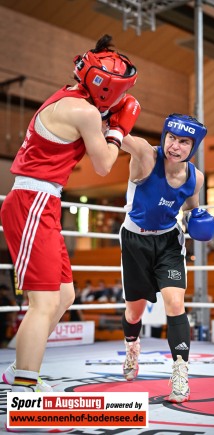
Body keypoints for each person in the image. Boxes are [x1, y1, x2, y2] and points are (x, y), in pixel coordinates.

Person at [0, 34, 140, 393]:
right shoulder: (84, 111)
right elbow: (106, 165)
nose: (122, 98)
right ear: (106, 88)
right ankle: (24, 384)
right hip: (32, 201)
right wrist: (121, 129)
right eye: (120, 91)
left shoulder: (73, 97)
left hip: (44, 202)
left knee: (64, 296)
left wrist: (110, 118)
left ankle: (20, 366)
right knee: (44, 302)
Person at [118, 113, 214, 403]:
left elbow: (191, 207)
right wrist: (105, 112)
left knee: (175, 303)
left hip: (169, 243)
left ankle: (180, 372)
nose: (175, 146)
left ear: (193, 146)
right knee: (133, 313)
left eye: (184, 142)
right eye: (172, 138)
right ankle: (131, 345)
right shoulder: (146, 156)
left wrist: (198, 218)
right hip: (135, 240)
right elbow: (122, 138)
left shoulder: (196, 177)